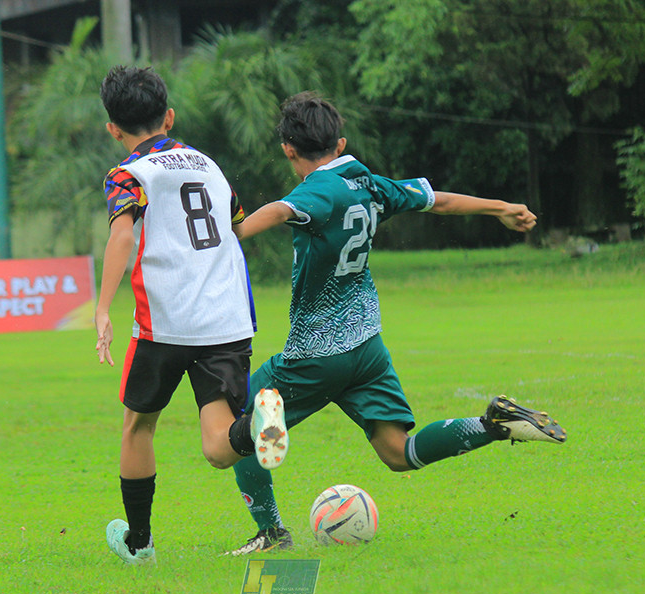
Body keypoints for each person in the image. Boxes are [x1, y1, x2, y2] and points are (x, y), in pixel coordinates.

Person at [226, 92, 568, 555]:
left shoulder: (314, 191)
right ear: (341, 141)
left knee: (241, 418)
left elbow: (283, 210)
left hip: (316, 355)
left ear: (289, 150)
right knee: (399, 452)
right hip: (366, 350)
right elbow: (438, 201)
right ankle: (494, 424)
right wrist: (501, 207)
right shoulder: (369, 184)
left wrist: (235, 232)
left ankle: (271, 534)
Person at [94, 66, 288, 565]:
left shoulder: (128, 175)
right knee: (220, 447)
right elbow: (237, 227)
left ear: (113, 128)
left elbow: (122, 235)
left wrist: (101, 308)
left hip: (164, 323)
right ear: (170, 116)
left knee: (138, 427)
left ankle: (139, 545)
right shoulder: (209, 166)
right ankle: (259, 421)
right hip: (225, 320)